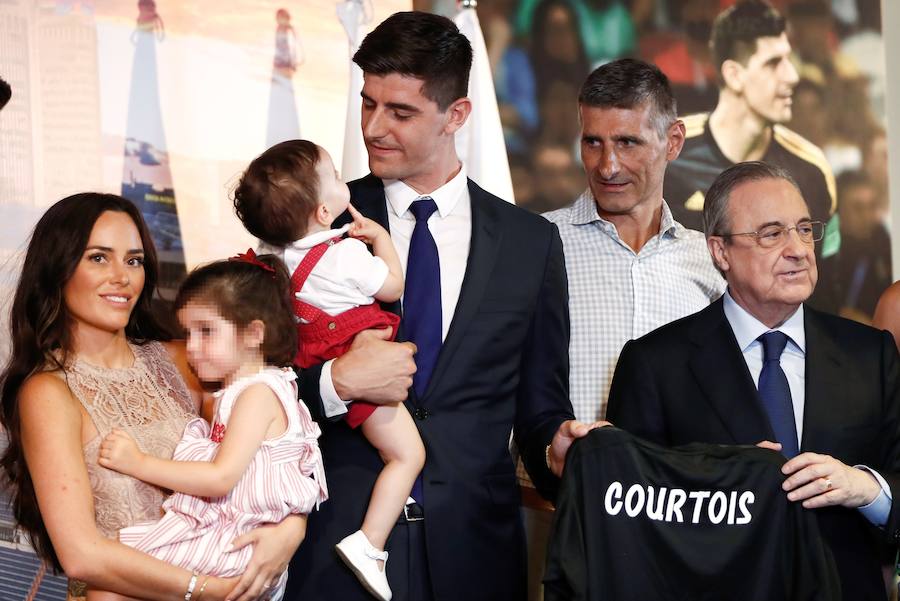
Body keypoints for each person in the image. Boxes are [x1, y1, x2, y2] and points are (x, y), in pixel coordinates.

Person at [286, 11, 592, 601]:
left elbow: (537, 406)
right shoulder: (309, 221)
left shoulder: (531, 244)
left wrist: (556, 446)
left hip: (476, 558)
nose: (375, 127)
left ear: (457, 115)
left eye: (401, 112)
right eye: (369, 104)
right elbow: (247, 386)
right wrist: (334, 382)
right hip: (332, 543)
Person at [607, 161, 900, 601]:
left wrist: (868, 489)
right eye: (771, 233)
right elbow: (629, 520)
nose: (798, 249)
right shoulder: (654, 365)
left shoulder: (870, 354)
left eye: (804, 229)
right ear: (720, 252)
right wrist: (715, 481)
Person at [0, 193, 303, 601]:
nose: (122, 277)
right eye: (98, 258)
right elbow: (81, 556)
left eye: (134, 260)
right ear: (57, 268)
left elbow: (274, 449)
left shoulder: (187, 360)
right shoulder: (48, 392)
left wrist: (291, 528)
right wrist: (209, 591)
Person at [233, 140, 424, 601]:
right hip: (362, 370)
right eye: (337, 177)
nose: (346, 182)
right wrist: (380, 239)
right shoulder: (345, 255)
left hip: (308, 362)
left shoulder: (271, 262)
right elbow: (393, 284)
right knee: (407, 455)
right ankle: (370, 543)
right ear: (323, 212)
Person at [96, 252, 328, 601]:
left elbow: (221, 478)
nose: (191, 348)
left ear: (253, 334)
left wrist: (137, 463)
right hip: (231, 535)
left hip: (236, 544)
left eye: (206, 332)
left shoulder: (258, 394)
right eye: (189, 332)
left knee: (111, 582)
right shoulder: (241, 390)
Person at [544, 58, 724, 425]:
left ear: (673, 142)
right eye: (593, 142)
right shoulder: (539, 244)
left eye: (627, 143)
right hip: (560, 478)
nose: (607, 166)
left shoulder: (709, 260)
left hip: (676, 480)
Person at [663, 0, 837, 254]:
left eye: (789, 59)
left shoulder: (812, 169)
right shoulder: (668, 155)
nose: (792, 75)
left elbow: (826, 280)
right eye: (773, 63)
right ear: (734, 75)